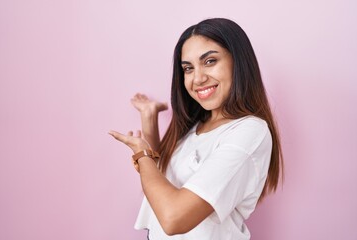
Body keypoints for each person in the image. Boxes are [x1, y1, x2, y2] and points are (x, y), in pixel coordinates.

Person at [109, 18, 283, 240]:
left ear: (238, 62)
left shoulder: (249, 132)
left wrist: (141, 154)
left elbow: (174, 218)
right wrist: (149, 117)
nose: (198, 78)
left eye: (210, 61)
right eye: (188, 68)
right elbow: (158, 189)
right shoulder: (196, 127)